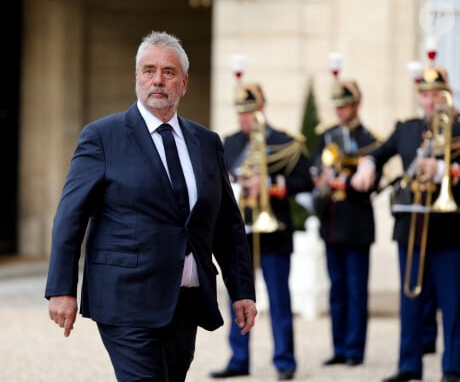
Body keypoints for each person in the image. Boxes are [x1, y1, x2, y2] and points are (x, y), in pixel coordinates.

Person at [44, 31, 257, 382]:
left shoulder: (206, 143)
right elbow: (70, 215)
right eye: (148, 70)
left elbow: (227, 225)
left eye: (168, 72)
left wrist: (242, 291)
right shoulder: (102, 137)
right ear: (137, 78)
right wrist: (61, 289)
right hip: (124, 299)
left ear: (184, 83)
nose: (158, 80)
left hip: (184, 303)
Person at [351, 65, 460, 382]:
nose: (429, 102)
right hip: (411, 224)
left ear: (446, 96)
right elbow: (379, 153)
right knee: (410, 300)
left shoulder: (457, 129)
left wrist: (440, 171)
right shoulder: (407, 129)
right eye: (424, 95)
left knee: (453, 302)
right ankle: (409, 364)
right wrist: (367, 166)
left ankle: (452, 367)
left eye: (435, 95)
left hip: (448, 226)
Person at [209, 83, 312, 380]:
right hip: (240, 230)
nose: (245, 119)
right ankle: (238, 359)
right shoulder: (228, 144)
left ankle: (285, 361)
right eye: (240, 113)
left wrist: (272, 185)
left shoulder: (285, 142)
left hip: (275, 230)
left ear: (262, 109)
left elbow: (305, 180)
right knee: (237, 296)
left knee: (279, 299)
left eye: (250, 112)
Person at [311, 79, 381, 367]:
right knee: (336, 288)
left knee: (356, 289)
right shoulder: (326, 135)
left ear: (357, 104)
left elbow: (373, 184)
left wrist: (345, 181)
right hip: (332, 222)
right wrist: (321, 176)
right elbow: (314, 167)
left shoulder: (370, 140)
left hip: (357, 223)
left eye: (346, 105)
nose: (341, 111)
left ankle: (355, 348)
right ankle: (339, 346)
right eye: (338, 106)